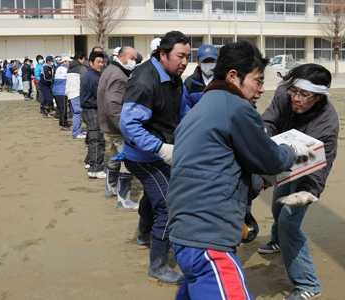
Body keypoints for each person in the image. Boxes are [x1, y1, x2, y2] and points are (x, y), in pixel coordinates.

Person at [166, 41, 314, 300]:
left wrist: (257, 182)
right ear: (234, 76)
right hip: (208, 237)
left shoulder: (201, 107)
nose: (261, 89)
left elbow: (218, 166)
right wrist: (293, 151)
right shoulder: (235, 107)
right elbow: (270, 159)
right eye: (257, 81)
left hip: (185, 232)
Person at [257, 64, 339, 300]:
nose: (296, 98)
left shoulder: (327, 124)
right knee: (276, 206)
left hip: (310, 168)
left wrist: (308, 191)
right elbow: (270, 120)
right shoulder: (286, 94)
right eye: (294, 91)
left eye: (304, 95)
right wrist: (263, 136)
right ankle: (277, 241)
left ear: (320, 96)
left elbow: (322, 166)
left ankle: (308, 284)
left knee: (289, 223)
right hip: (284, 155)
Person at [120, 31, 191, 284]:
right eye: (180, 56)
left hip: (163, 148)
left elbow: (182, 111)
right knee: (168, 203)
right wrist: (160, 148)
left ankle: (143, 234)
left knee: (156, 195)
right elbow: (128, 124)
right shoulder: (144, 81)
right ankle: (158, 265)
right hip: (141, 156)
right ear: (163, 54)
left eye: (187, 57)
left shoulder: (175, 78)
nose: (184, 62)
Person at [97, 46, 139, 209]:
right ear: (122, 57)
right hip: (116, 127)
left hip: (107, 125)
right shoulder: (118, 76)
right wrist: (126, 128)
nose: (134, 62)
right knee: (127, 161)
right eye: (133, 58)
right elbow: (113, 105)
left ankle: (110, 187)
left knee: (113, 157)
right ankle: (123, 198)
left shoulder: (109, 70)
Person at [80, 51, 106, 179]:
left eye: (102, 62)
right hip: (92, 110)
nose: (101, 64)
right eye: (98, 62)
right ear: (91, 63)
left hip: (90, 110)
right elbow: (97, 97)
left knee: (93, 137)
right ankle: (95, 168)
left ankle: (90, 162)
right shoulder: (92, 77)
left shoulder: (93, 75)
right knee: (97, 139)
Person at [182, 44, 218, 113]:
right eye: (205, 61)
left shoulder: (223, 81)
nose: (209, 64)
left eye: (212, 61)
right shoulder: (189, 83)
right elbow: (185, 109)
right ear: (198, 62)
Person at [66, 53, 88, 139]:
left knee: (76, 112)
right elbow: (85, 81)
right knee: (78, 112)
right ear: (80, 59)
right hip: (77, 92)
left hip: (70, 92)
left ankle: (78, 130)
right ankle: (76, 133)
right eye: (84, 59)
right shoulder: (81, 68)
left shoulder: (70, 68)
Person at [52, 56, 71, 129]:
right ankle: (64, 124)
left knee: (60, 108)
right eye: (68, 62)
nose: (69, 63)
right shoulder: (65, 69)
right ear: (65, 62)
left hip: (56, 91)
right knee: (63, 108)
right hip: (62, 91)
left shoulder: (58, 68)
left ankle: (61, 122)